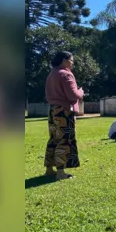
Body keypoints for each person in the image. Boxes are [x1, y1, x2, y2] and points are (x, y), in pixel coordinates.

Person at [43, 51, 84, 180]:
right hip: (64, 111)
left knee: (53, 139)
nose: (72, 63)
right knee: (64, 139)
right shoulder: (66, 74)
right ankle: (60, 172)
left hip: (53, 110)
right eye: (71, 60)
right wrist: (81, 92)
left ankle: (49, 169)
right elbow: (72, 95)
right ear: (64, 60)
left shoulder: (52, 74)